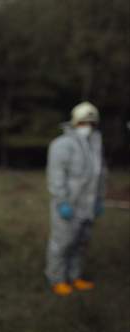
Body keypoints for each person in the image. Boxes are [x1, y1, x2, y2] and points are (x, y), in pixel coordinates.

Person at [45, 101, 106, 296]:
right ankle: (57, 279)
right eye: (83, 122)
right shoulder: (62, 145)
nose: (87, 127)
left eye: (91, 122)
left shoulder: (96, 144)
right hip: (68, 204)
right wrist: (62, 200)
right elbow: (56, 175)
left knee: (81, 243)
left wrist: (99, 199)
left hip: (88, 205)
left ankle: (75, 276)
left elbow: (100, 174)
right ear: (74, 122)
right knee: (62, 243)